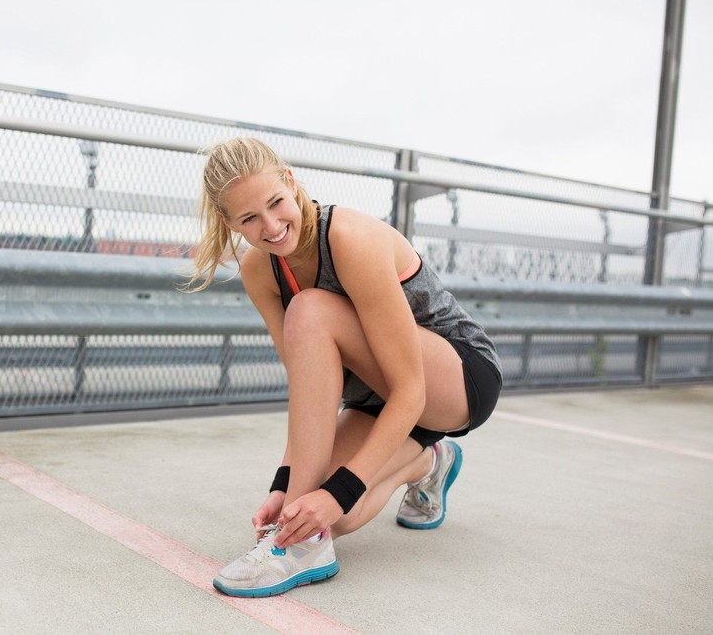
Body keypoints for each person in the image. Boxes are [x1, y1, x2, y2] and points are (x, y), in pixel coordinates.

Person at [186, 137, 503, 598]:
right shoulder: (260, 271)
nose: (271, 226)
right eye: (249, 218)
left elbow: (410, 389)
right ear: (227, 220)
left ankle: (295, 551)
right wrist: (288, 487)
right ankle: (428, 462)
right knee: (337, 517)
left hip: (452, 378)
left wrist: (331, 492)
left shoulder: (348, 238)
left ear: (291, 184)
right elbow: (308, 388)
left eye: (276, 203)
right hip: (376, 395)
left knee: (311, 310)